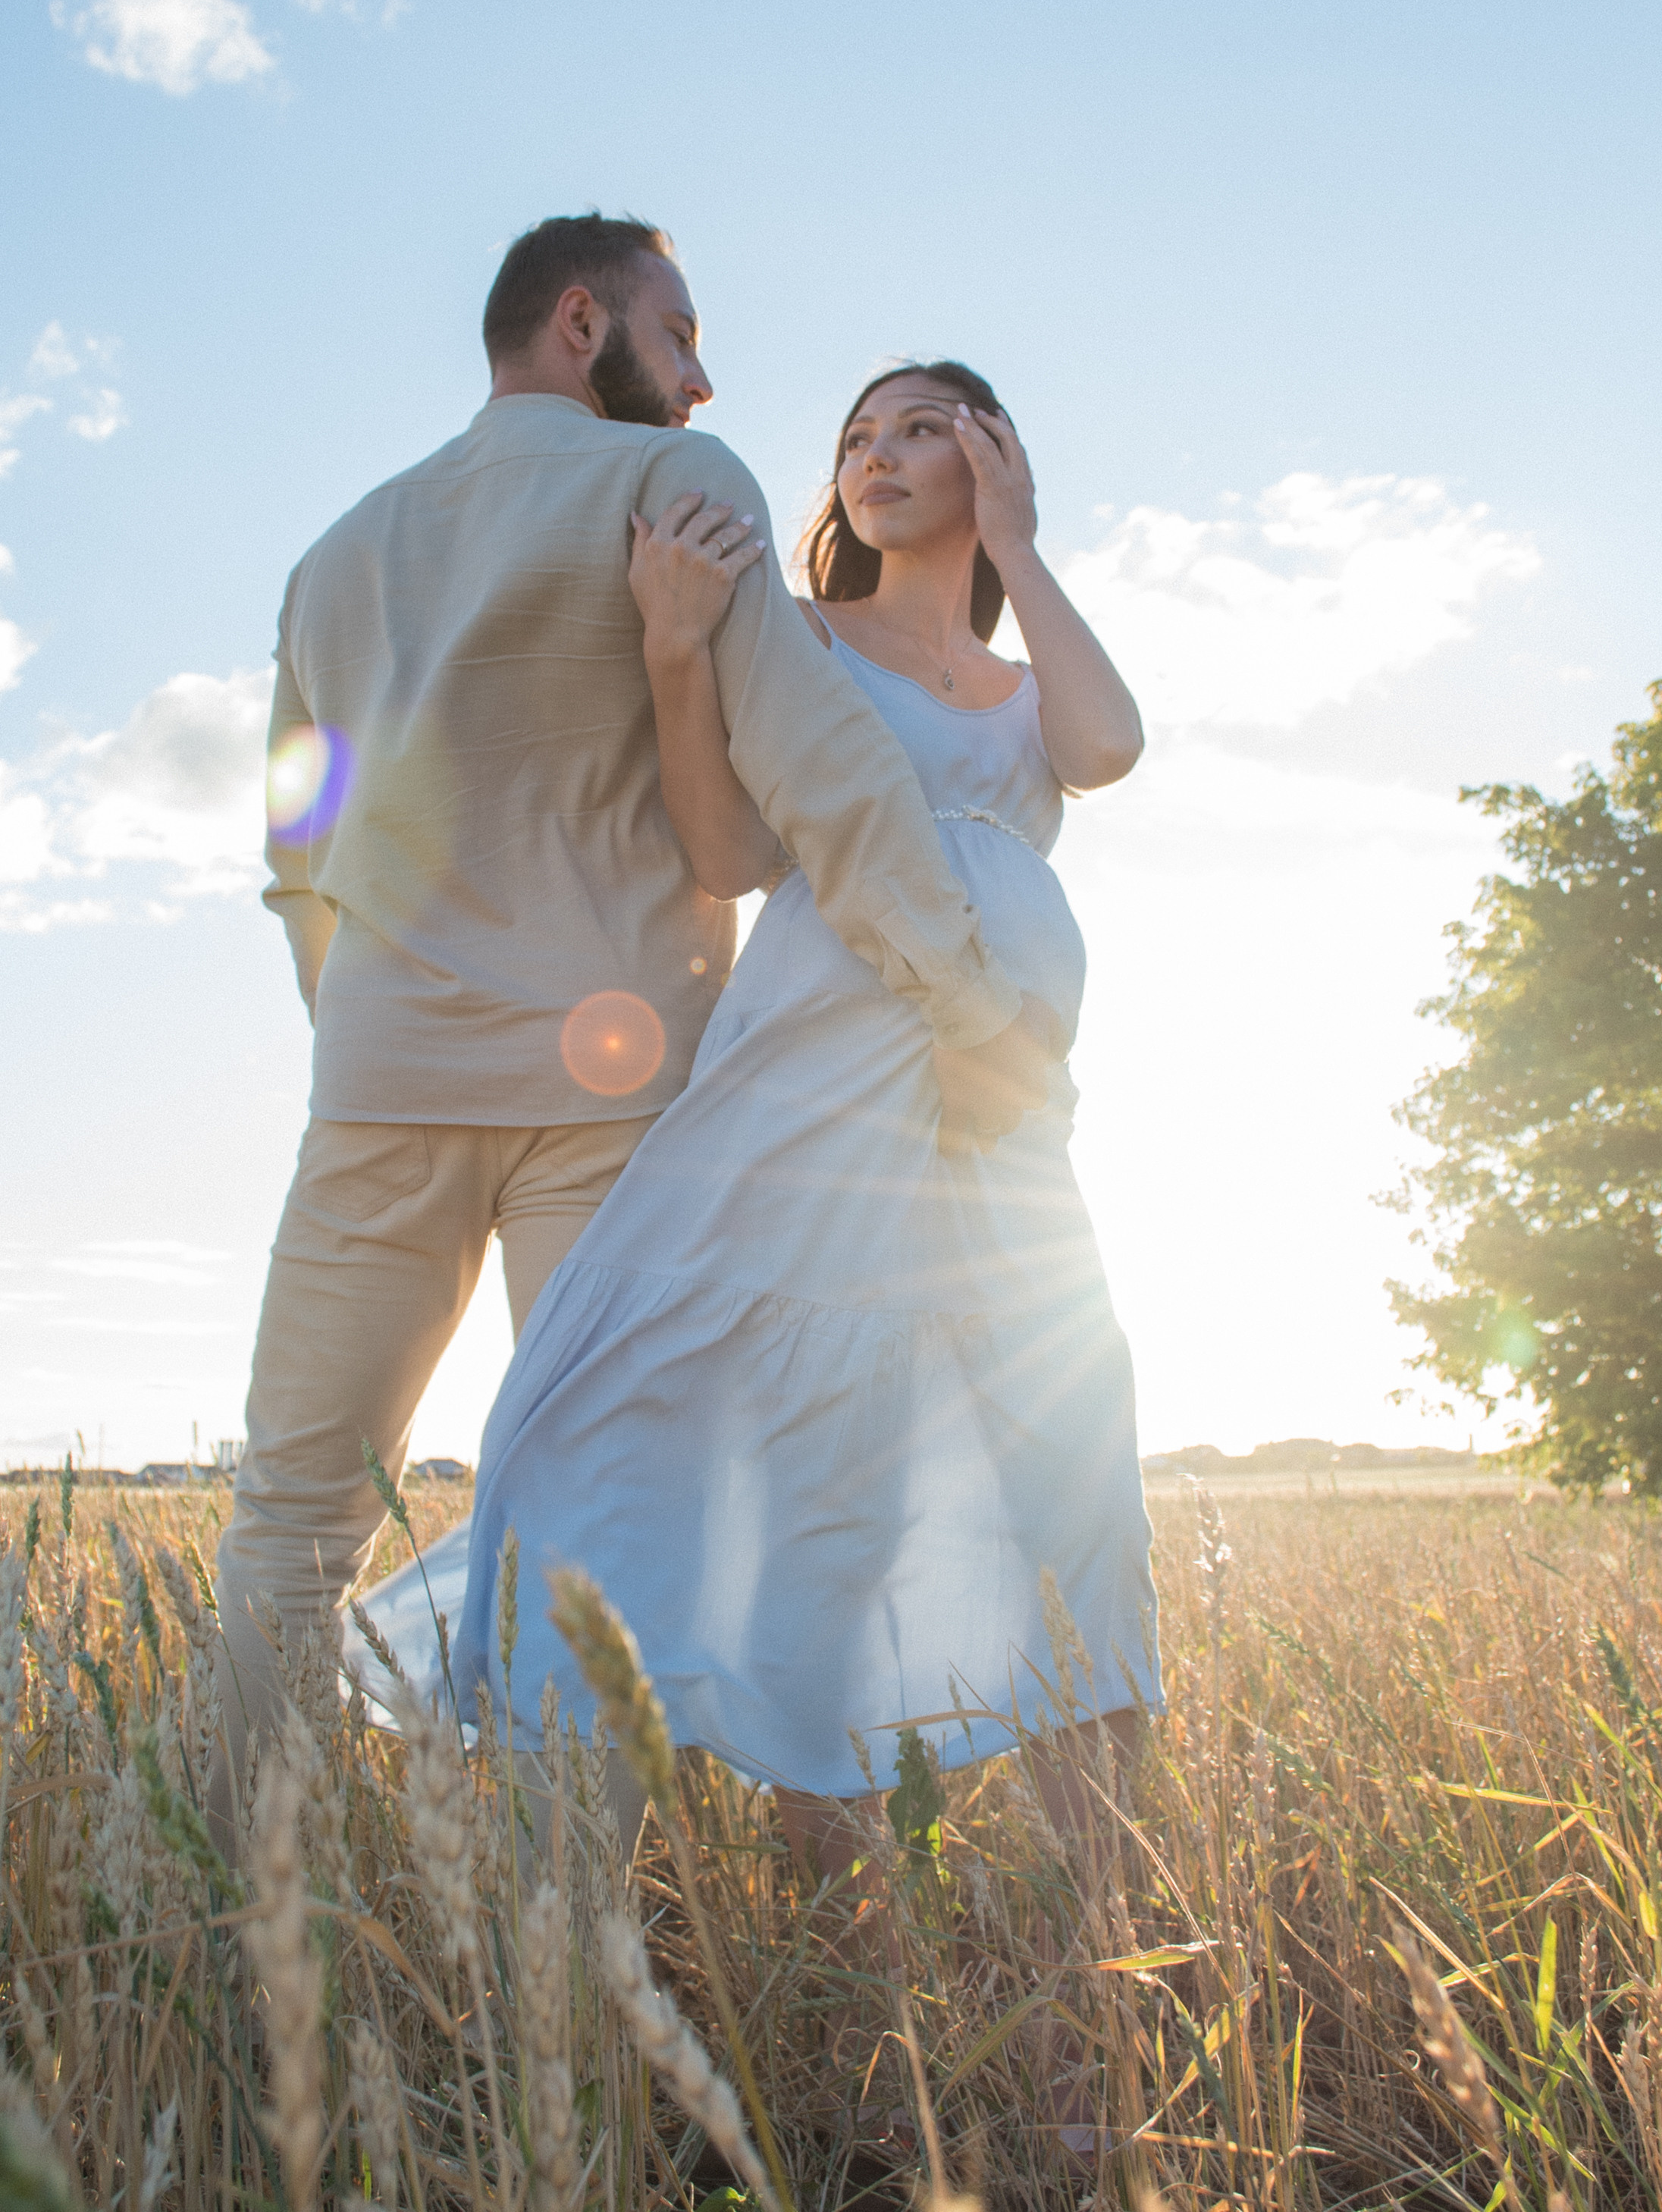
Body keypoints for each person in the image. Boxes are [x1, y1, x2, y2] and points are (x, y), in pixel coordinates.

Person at [215, 224, 1055, 1825]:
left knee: (294, 1509)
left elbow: (295, 852)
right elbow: (823, 776)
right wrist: (970, 996)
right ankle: (565, 1932)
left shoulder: (333, 557)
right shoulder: (680, 489)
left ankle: (224, 1875)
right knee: (604, 1506)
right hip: (606, 1101)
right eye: (677, 336)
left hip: (381, 1088)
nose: (702, 377)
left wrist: (369, 1017)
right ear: (580, 319)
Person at [365, 359, 1162, 2011]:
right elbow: (728, 853)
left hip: (1004, 1107)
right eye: (857, 437)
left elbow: (1107, 744)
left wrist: (1021, 542)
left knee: (1078, 1492)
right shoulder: (799, 638)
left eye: (922, 427)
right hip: (821, 1072)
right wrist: (675, 648)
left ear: (995, 454)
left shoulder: (1024, 689)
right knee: (775, 1474)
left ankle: (1105, 1982)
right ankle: (860, 2013)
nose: (878, 457)